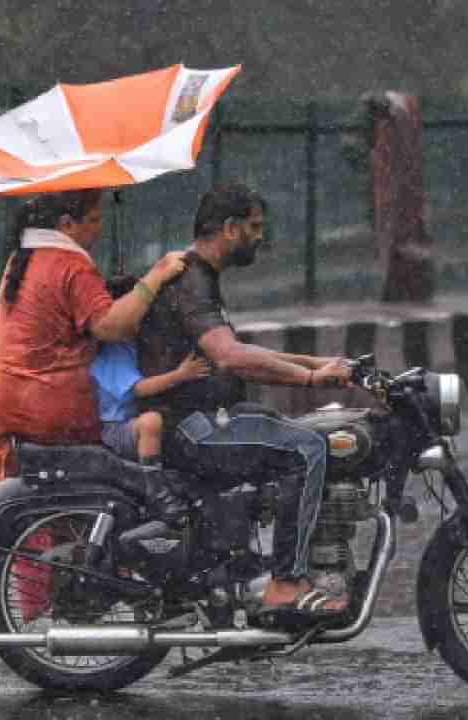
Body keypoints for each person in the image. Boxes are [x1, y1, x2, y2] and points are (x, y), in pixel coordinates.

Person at [136, 182, 355, 622]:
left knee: (281, 425)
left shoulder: (201, 277)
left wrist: (317, 360)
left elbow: (235, 351)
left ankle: (248, 563)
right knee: (306, 448)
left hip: (205, 418)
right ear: (230, 229)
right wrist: (311, 378)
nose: (260, 236)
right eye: (254, 227)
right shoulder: (191, 280)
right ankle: (286, 584)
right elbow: (229, 356)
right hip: (190, 426)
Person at [0, 189, 191, 519]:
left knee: (34, 512)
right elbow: (112, 327)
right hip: (50, 408)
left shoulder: (22, 258)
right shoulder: (70, 264)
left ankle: (35, 566)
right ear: (66, 224)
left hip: (4, 403)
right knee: (109, 495)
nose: (99, 229)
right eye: (93, 220)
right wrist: (155, 276)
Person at [90, 275, 213, 502]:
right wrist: (180, 375)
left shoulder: (129, 344)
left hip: (122, 425)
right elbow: (138, 389)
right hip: (111, 431)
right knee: (151, 422)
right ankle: (154, 489)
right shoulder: (113, 350)